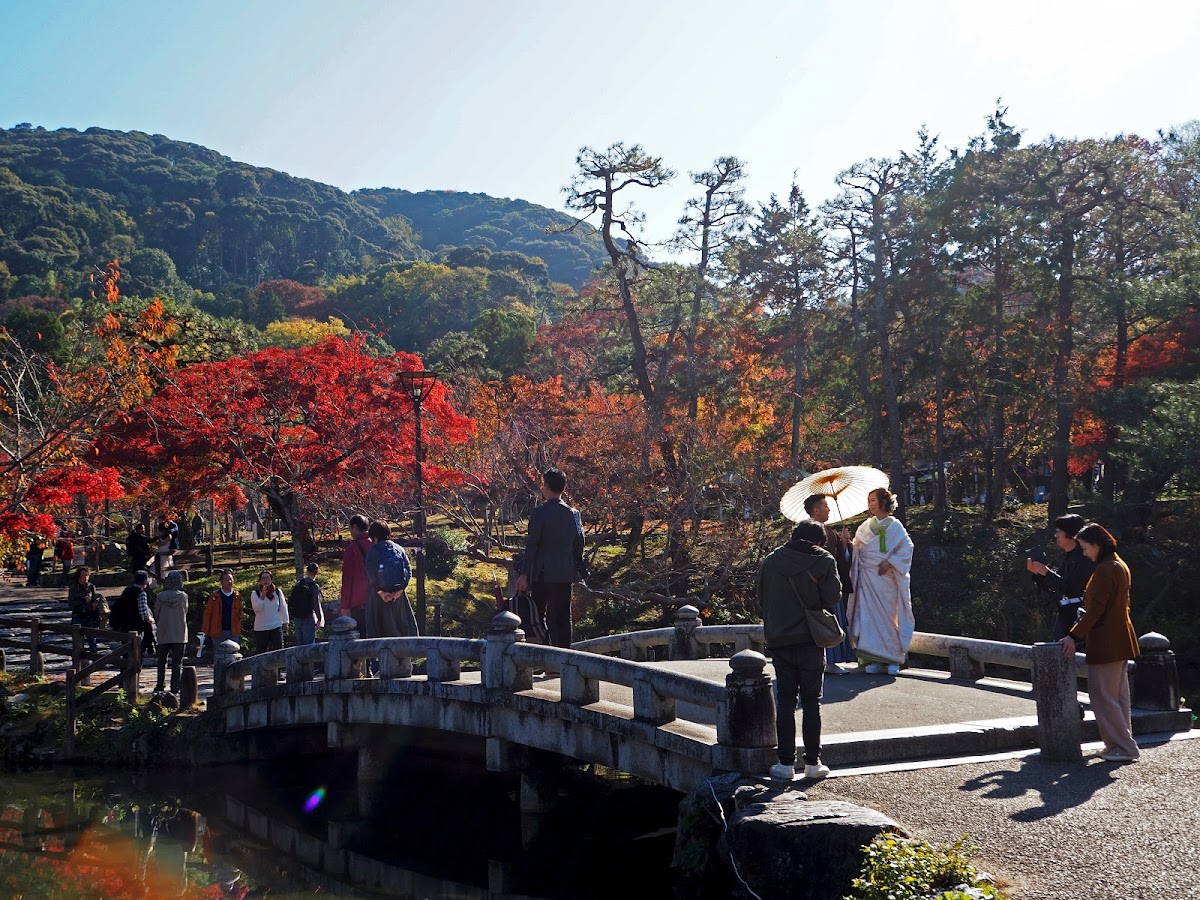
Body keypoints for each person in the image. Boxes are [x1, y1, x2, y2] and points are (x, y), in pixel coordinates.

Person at [760, 520, 838, 782]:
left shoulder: (772, 561)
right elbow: (832, 598)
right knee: (811, 702)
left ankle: (784, 765)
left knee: (785, 701)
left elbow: (760, 598)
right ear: (819, 541)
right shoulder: (823, 560)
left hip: (780, 639)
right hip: (810, 639)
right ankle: (813, 763)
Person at [1060, 522, 1141, 762]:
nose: (1084, 553)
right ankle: (1119, 744)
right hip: (1120, 639)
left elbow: (1096, 609)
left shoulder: (1106, 569)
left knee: (1102, 696)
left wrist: (1073, 635)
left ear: (1096, 545)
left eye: (1085, 548)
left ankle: (1124, 746)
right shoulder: (1119, 565)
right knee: (1118, 697)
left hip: (1106, 641)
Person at [514, 468, 585, 649]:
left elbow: (532, 545)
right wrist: (575, 562)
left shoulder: (539, 513)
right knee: (563, 616)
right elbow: (579, 542)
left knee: (537, 615)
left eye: (543, 485)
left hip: (542, 572)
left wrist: (524, 574)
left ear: (546, 486)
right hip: (564, 572)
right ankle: (564, 659)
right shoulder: (573, 514)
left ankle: (543, 654)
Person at [848, 488, 915, 675]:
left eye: (873, 500)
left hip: (887, 579)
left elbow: (907, 548)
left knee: (889, 617)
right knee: (869, 618)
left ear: (884, 502)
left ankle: (893, 656)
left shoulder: (895, 526)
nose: (870, 504)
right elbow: (857, 550)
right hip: (868, 579)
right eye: (868, 500)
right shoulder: (864, 527)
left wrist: (891, 562)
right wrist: (847, 544)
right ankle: (873, 658)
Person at [802, 493, 855, 673]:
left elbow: (840, 557)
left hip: (830, 581)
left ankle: (831, 660)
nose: (829, 509)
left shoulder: (828, 530)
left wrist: (845, 544)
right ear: (816, 510)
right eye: (825, 506)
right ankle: (829, 661)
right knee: (826, 621)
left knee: (832, 620)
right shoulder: (811, 531)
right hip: (820, 584)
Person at [1027, 513, 1096, 640]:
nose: (1056, 535)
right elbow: (1054, 590)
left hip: (1078, 619)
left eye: (1059, 531)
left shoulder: (1084, 558)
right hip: (1066, 615)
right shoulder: (1068, 557)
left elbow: (1072, 590)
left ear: (1071, 534)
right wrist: (1038, 574)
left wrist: (1046, 573)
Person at [363, 521, 418, 639]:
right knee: (401, 626)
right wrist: (400, 590)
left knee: (379, 630)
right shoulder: (399, 549)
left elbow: (370, 572)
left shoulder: (374, 550)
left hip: (379, 596)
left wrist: (381, 592)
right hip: (399, 595)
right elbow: (408, 570)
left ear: (375, 537)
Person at [153, 571, 189, 693]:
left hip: (163, 632)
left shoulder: (160, 596)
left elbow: (156, 613)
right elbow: (185, 611)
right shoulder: (183, 596)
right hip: (179, 633)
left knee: (161, 661)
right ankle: (175, 687)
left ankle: (160, 684)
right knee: (177, 663)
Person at [109, 570, 156, 658]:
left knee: (126, 649)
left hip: (125, 624)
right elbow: (143, 610)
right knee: (137, 650)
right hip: (137, 625)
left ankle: (125, 668)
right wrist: (149, 619)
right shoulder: (141, 593)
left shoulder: (127, 591)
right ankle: (134, 669)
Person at [339, 514, 372, 635]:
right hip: (377, 599)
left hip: (358, 602)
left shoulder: (352, 549)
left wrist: (344, 605)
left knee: (360, 641)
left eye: (351, 529)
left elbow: (347, 579)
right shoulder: (375, 544)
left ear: (355, 528)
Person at [202, 569, 242, 653]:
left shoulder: (237, 596)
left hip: (233, 630)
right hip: (218, 631)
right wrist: (205, 630)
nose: (229, 581)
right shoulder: (215, 596)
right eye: (226, 580)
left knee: (233, 654)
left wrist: (241, 615)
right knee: (218, 654)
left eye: (231, 579)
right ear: (221, 582)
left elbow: (239, 611)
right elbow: (208, 613)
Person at [250, 570, 289, 654]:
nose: (265, 580)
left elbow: (283, 607)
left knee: (279, 651)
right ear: (260, 581)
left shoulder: (277, 592)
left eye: (267, 578)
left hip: (276, 625)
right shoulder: (255, 593)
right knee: (262, 653)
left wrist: (285, 622)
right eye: (263, 578)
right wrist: (262, 596)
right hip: (261, 628)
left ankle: (279, 667)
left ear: (271, 580)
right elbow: (257, 609)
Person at [66, 566, 102, 655]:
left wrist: (95, 603)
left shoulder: (91, 586)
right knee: (77, 640)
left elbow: (95, 598)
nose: (86, 577)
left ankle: (95, 659)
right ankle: (78, 661)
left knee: (92, 639)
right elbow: (71, 604)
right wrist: (82, 600)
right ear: (79, 576)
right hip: (78, 616)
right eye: (84, 575)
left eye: (87, 575)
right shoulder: (74, 588)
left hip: (89, 616)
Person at [289, 563, 326, 646]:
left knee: (299, 642)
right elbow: (315, 603)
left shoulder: (299, 583)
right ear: (316, 573)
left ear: (307, 571)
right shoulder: (314, 586)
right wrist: (319, 618)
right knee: (309, 644)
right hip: (309, 616)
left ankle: (299, 658)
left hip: (297, 616)